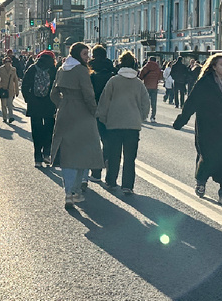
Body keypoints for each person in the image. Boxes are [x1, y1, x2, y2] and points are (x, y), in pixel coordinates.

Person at [173, 52, 222, 206]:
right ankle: (201, 181)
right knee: (207, 155)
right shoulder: (205, 82)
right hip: (207, 126)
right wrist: (181, 121)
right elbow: (191, 102)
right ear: (213, 66)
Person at [50, 42, 104, 207]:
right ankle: (76, 191)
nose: (87, 57)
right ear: (77, 55)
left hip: (65, 113)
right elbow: (88, 94)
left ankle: (68, 192)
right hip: (82, 114)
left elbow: (53, 94)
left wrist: (62, 105)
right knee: (83, 154)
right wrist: (94, 112)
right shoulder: (81, 70)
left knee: (66, 155)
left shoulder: (61, 69)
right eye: (85, 54)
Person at [95, 51, 150, 194]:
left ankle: (111, 181)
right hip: (133, 125)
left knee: (114, 155)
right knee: (130, 158)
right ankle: (128, 186)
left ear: (120, 64)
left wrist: (103, 118)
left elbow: (105, 101)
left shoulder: (113, 81)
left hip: (114, 124)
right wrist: (140, 117)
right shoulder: (138, 83)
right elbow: (146, 103)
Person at [22, 51, 58, 166]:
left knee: (36, 131)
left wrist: (28, 99)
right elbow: (57, 87)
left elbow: (24, 85)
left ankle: (38, 157)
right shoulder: (53, 69)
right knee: (49, 129)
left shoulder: (32, 68)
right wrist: (56, 102)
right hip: (49, 104)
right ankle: (47, 153)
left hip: (34, 105)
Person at [87, 45, 115, 181]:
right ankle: (108, 166)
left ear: (93, 55)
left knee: (93, 141)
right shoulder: (112, 71)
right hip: (110, 110)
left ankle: (96, 172)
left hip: (93, 109)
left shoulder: (89, 71)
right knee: (108, 141)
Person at [138, 55, 164, 123]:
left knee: (145, 102)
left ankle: (145, 116)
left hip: (146, 87)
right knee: (154, 103)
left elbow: (140, 77)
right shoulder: (158, 68)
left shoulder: (145, 67)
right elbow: (160, 77)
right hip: (154, 87)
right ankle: (153, 117)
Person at [0, 56, 20, 123]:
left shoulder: (13, 69)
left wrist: (17, 91)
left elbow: (15, 80)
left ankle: (11, 117)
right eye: (6, 62)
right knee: (4, 104)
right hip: (3, 89)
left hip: (10, 89)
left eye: (9, 61)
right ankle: (5, 117)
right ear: (4, 62)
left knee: (10, 104)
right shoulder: (0, 69)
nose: (7, 63)